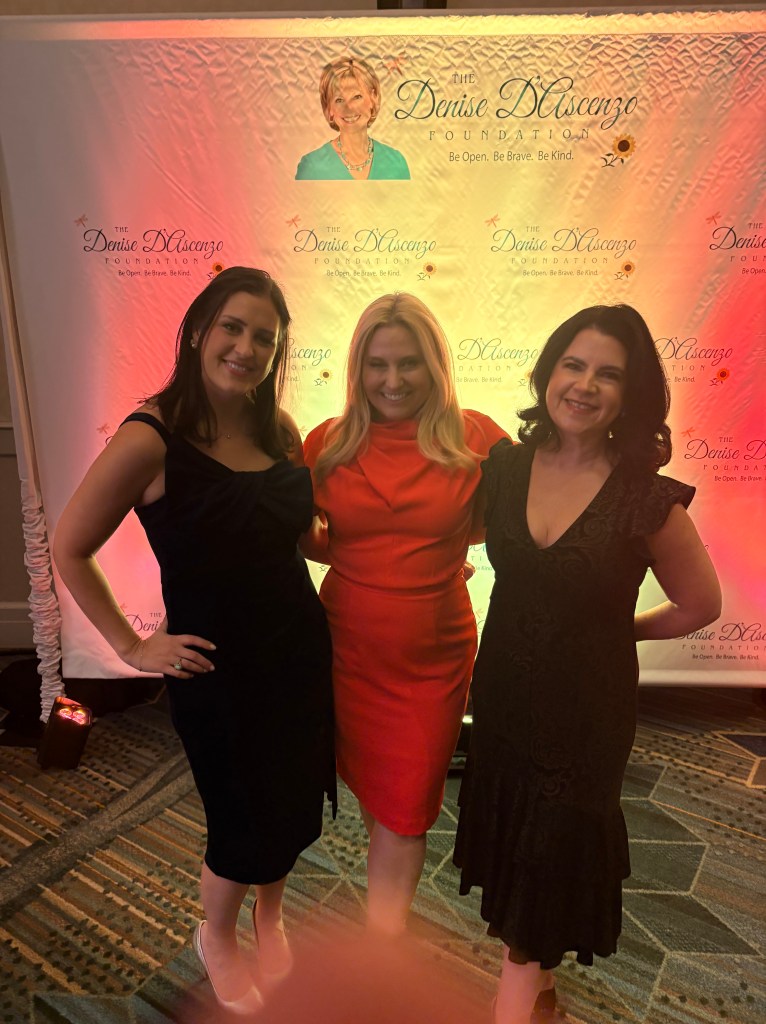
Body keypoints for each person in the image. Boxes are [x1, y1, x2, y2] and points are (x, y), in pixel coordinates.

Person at [53, 267, 335, 1016]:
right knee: (239, 817)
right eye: (232, 328)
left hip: (297, 653)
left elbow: (291, 537)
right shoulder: (150, 438)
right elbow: (69, 547)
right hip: (216, 672)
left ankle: (270, 914)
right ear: (199, 331)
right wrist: (132, 647)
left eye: (264, 338)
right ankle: (217, 936)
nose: (246, 348)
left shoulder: (277, 428)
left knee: (292, 800)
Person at [452, 305, 722, 1024]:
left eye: (608, 374)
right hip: (502, 694)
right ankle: (538, 985)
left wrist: (616, 632)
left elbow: (700, 604)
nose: (584, 385)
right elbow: (442, 535)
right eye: (572, 365)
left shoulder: (645, 498)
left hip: (585, 716)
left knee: (550, 848)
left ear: (631, 395)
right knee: (517, 843)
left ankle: (513, 1002)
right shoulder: (504, 468)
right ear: (548, 372)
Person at [301, 293, 507, 935]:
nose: (392, 380)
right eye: (377, 364)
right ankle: (383, 923)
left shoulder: (478, 438)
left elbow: (497, 528)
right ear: (357, 369)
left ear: (435, 365)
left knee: (407, 810)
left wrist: (433, 561)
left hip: (433, 657)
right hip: (346, 647)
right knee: (378, 795)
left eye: (409, 363)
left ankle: (381, 950)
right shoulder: (325, 444)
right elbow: (307, 539)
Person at [295, 56, 410, 180]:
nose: (349, 107)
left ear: (373, 99)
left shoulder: (396, 164)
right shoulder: (312, 167)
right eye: (339, 100)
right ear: (329, 108)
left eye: (357, 97)